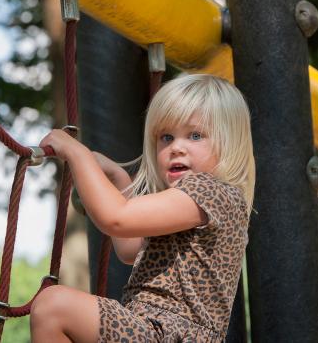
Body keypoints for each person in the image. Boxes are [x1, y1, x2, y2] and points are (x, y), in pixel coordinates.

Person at [31, 74, 255, 342]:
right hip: (157, 331)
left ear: (230, 143)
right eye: (166, 137)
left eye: (195, 135)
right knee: (54, 308)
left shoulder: (208, 191)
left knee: (53, 306)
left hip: (169, 333)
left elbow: (116, 218)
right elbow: (129, 249)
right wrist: (118, 178)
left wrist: (76, 153)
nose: (176, 148)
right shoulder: (196, 202)